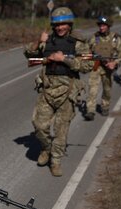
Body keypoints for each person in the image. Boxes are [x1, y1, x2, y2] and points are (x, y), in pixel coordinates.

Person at [24, 7, 93, 177]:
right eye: (57, 25)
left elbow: (88, 65)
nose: (60, 27)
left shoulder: (78, 43)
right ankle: (47, 148)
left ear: (69, 24)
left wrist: (65, 60)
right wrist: (37, 42)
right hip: (47, 91)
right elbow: (29, 54)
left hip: (68, 92)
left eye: (64, 24)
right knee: (39, 125)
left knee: (61, 130)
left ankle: (55, 161)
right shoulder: (47, 40)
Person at [84, 16, 121, 120]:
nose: (101, 28)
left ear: (108, 26)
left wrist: (114, 63)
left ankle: (105, 106)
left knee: (107, 90)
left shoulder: (115, 38)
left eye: (104, 25)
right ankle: (90, 110)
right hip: (96, 67)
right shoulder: (95, 37)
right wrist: (88, 58)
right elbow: (86, 51)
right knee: (92, 89)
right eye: (100, 25)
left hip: (108, 68)